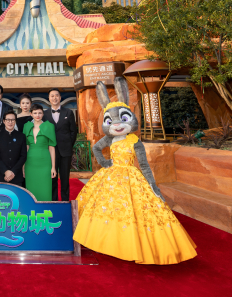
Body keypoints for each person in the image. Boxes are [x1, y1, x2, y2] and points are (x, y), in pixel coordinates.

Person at [73, 78, 197, 264]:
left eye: (122, 119)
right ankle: (108, 241)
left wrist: (153, 185)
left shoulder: (134, 141)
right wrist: (104, 162)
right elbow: (96, 147)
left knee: (134, 210)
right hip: (111, 175)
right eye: (111, 121)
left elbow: (144, 165)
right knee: (108, 207)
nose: (117, 124)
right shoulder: (109, 139)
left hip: (131, 177)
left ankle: (129, 244)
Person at [44, 88, 78, 201]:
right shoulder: (45, 114)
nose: (54, 98)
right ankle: (53, 201)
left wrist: (68, 145)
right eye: (52, 96)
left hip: (65, 151)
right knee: (52, 177)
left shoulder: (68, 112)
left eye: (56, 95)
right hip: (50, 151)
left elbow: (73, 131)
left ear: (60, 97)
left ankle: (65, 201)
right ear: (49, 98)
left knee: (65, 178)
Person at [23, 104, 57, 201]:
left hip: (45, 162)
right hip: (30, 163)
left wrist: (53, 167)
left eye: (39, 113)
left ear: (43, 114)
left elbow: (52, 148)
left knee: (45, 189)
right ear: (31, 114)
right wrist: (23, 167)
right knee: (31, 189)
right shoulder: (26, 126)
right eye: (35, 113)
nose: (37, 115)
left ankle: (46, 209)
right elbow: (26, 147)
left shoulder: (49, 126)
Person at [0, 110, 27, 185]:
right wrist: (5, 171)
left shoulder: (21, 136)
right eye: (8, 120)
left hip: (17, 176)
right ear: (4, 121)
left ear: (15, 121)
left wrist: (13, 172)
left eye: (12, 120)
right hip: (1, 176)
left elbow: (23, 156)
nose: (10, 122)